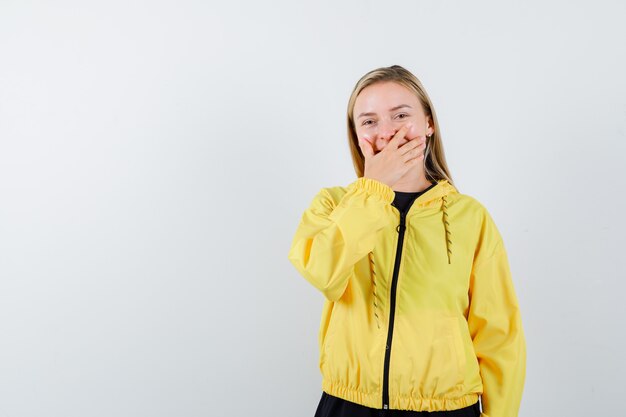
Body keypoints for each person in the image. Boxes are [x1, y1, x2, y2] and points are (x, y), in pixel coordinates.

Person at [287, 65, 526, 417]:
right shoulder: (332, 205)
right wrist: (374, 191)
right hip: (348, 405)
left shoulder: (470, 217)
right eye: (368, 121)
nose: (387, 132)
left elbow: (499, 335)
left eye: (400, 115)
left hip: (445, 408)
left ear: (429, 123)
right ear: (355, 135)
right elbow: (323, 271)